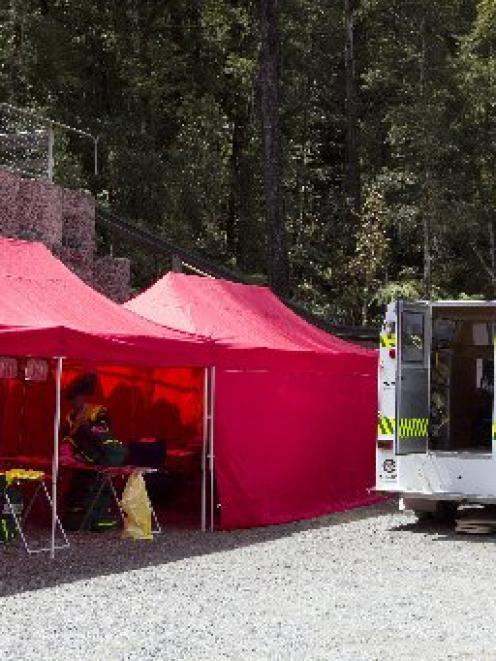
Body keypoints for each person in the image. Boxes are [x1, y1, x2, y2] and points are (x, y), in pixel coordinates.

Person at [62, 373, 125, 532]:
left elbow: (104, 434)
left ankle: (97, 517)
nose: (75, 402)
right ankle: (79, 518)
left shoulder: (97, 411)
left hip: (97, 458)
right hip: (76, 460)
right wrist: (67, 452)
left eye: (77, 398)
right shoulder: (69, 416)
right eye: (72, 400)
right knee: (77, 488)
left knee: (95, 488)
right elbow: (66, 436)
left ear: (83, 397)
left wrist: (88, 426)